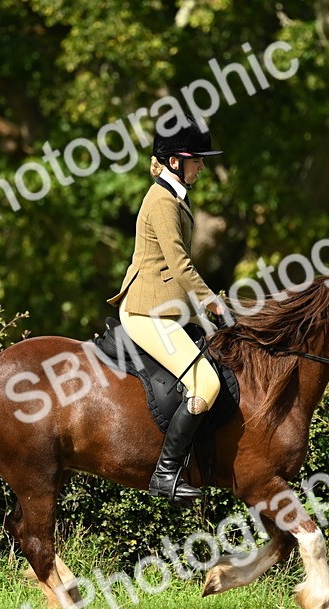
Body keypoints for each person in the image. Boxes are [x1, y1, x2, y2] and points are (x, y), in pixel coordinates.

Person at [106, 115, 229, 503]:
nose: (202, 166)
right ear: (175, 161)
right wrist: (212, 302)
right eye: (198, 159)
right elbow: (179, 264)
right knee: (206, 384)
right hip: (147, 312)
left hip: (169, 306)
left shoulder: (174, 194)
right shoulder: (162, 200)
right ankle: (166, 474)